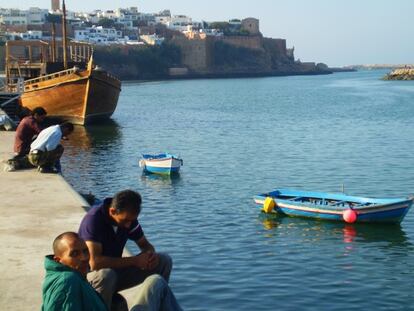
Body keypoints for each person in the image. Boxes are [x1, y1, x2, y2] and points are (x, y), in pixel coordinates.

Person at [79, 190, 182, 311]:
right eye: (125, 221)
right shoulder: (93, 220)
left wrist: (150, 255)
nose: (128, 225)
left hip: (116, 272)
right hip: (91, 278)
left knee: (163, 260)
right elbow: (94, 262)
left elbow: (145, 245)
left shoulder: (129, 219)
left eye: (131, 221)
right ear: (112, 211)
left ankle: (159, 306)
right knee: (106, 275)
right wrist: (135, 261)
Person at [43, 232, 181, 311]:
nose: (84, 258)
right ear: (58, 259)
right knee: (157, 284)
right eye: (74, 254)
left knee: (156, 282)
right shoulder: (66, 281)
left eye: (85, 251)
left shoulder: (73, 276)